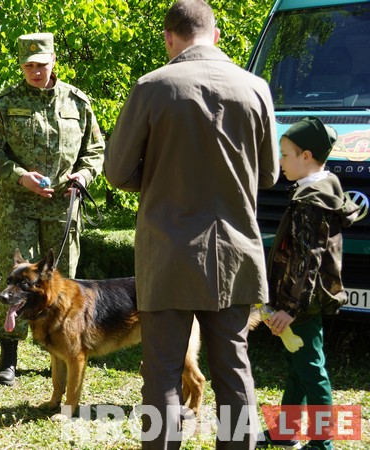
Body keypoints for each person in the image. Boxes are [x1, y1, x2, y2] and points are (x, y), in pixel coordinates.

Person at [104, 1, 280, 448]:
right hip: (235, 252)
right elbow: (270, 174)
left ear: (169, 37)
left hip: (168, 252)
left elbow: (117, 171)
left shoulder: (151, 86)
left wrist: (162, 177)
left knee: (161, 369)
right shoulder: (255, 86)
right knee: (233, 369)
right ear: (215, 35)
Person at [0, 32, 105, 386]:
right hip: (19, 207)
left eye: (42, 65)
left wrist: (84, 174)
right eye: (29, 66)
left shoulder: (78, 102)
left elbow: (96, 150)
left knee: (62, 283)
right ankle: (9, 357)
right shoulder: (5, 102)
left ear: (53, 63)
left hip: (63, 206)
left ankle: (63, 351)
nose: (35, 71)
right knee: (17, 281)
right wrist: (20, 177)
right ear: (22, 65)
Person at [257, 117, 359, 450]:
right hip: (299, 302)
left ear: (306, 156)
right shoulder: (319, 189)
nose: (280, 162)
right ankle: (285, 432)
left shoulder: (311, 200)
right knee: (297, 366)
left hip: (301, 303)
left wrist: (289, 308)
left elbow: (307, 261)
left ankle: (322, 443)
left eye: (285, 154)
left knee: (313, 373)